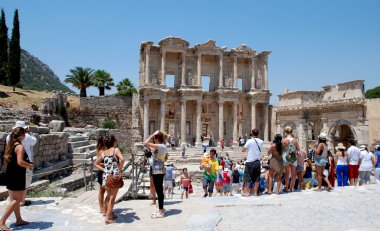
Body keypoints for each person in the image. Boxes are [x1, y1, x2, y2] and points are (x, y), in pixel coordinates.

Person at [1, 127, 34, 230]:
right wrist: (29, 165)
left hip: (10, 174)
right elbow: (20, 162)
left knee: (14, 199)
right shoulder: (20, 147)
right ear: (22, 135)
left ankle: (19, 220)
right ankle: (2, 222)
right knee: (17, 200)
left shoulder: (11, 144)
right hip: (17, 175)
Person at [94, 135, 125, 224]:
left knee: (108, 196)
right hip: (114, 176)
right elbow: (122, 159)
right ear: (114, 142)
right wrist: (119, 169)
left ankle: (109, 214)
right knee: (112, 198)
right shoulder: (116, 150)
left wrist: (105, 170)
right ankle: (107, 218)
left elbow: (95, 163)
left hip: (106, 177)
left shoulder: (104, 152)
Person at [6, 121, 37, 207]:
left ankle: (18, 217)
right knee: (25, 185)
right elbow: (34, 141)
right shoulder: (25, 138)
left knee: (13, 195)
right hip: (23, 166)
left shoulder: (9, 136)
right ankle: (21, 201)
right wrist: (30, 132)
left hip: (12, 167)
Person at [144, 131, 168, 219]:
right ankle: (161, 208)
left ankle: (161, 211)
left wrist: (151, 135)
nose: (153, 140)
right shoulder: (163, 146)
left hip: (157, 170)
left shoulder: (160, 146)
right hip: (159, 169)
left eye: (154, 138)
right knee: (159, 190)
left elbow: (145, 143)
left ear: (157, 138)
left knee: (159, 190)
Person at [242, 129, 263, 196]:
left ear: (252, 133)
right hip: (257, 161)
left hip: (250, 161)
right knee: (257, 177)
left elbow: (243, 149)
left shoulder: (249, 141)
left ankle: (246, 192)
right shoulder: (261, 141)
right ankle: (255, 192)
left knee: (248, 177)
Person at [282, 126, 300, 192]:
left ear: (285, 132)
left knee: (287, 173)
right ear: (292, 132)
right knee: (293, 173)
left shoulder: (284, 140)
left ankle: (286, 187)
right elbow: (298, 149)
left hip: (286, 157)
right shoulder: (295, 140)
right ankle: (292, 188)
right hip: (293, 157)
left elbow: (282, 150)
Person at [95, 136, 107, 214]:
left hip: (104, 172)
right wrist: (107, 164)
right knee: (102, 191)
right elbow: (97, 163)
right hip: (102, 173)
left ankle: (104, 207)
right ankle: (101, 207)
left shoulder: (104, 150)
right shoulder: (101, 151)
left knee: (104, 191)